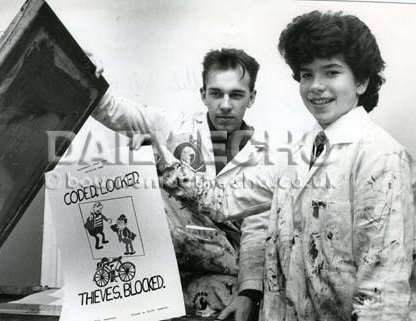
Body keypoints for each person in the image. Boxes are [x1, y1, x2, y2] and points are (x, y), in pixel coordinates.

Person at [160, 11, 415, 321]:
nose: (316, 86)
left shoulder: (380, 156)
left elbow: (383, 294)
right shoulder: (299, 151)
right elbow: (224, 199)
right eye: (307, 74)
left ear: (361, 80)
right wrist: (162, 158)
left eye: (331, 72)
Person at [92, 48, 269, 320]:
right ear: (203, 94)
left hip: (222, 276)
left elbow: (258, 234)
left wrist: (249, 293)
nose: (224, 104)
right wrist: (87, 73)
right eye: (216, 93)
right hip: (163, 269)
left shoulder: (265, 157)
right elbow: (112, 110)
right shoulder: (173, 125)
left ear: (252, 97)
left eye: (236, 95)